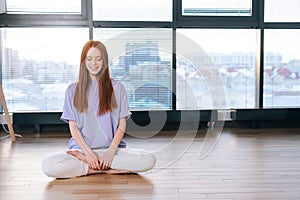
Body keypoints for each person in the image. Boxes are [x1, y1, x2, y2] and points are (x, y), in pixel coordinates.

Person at [42, 40, 156, 178]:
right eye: (89, 59)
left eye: (98, 59)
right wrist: (88, 155)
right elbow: (73, 127)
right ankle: (101, 169)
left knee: (149, 159)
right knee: (49, 165)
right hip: (81, 151)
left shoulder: (118, 88)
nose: (94, 63)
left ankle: (96, 166)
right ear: (83, 61)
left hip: (112, 151)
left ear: (104, 61)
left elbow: (122, 124)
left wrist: (110, 153)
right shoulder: (72, 90)